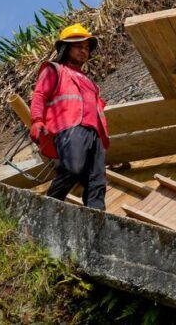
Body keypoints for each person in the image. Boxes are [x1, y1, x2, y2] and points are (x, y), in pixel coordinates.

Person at [29, 23, 109, 210]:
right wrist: (37, 120)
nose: (84, 51)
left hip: (94, 133)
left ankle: (96, 222)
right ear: (65, 48)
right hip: (70, 127)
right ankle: (49, 206)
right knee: (72, 168)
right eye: (79, 46)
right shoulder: (54, 70)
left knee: (97, 183)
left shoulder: (90, 82)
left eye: (87, 48)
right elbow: (40, 95)